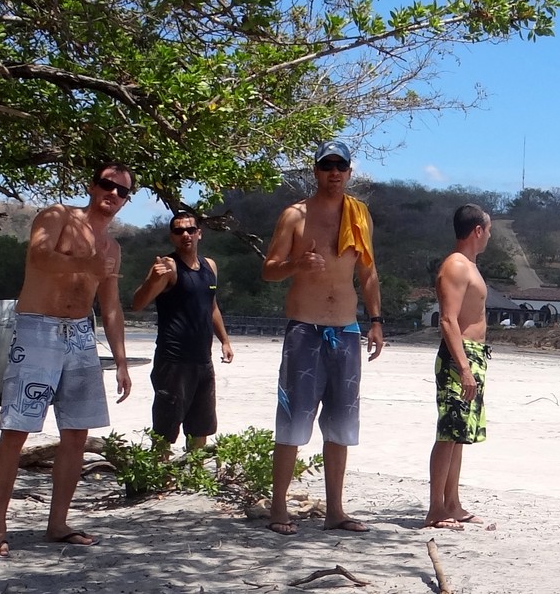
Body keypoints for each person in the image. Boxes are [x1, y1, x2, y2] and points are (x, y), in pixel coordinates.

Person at [0, 163, 135, 558]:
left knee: (76, 433)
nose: (113, 194)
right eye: (107, 185)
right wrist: (84, 264)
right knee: (16, 429)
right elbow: (39, 256)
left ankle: (58, 523)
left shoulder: (112, 248)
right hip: (38, 328)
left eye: (122, 191)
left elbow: (111, 306)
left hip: (81, 335)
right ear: (93, 186)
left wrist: (120, 360)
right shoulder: (58, 216)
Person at [260, 141, 384, 534]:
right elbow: (269, 269)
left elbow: (367, 271)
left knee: (341, 423)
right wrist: (295, 264)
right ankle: (278, 507)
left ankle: (336, 511)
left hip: (346, 329)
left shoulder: (359, 214)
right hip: (305, 327)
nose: (334, 173)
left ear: (348, 172)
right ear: (315, 170)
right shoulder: (295, 215)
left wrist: (376, 320)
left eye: (340, 166)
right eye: (326, 166)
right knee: (293, 421)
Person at [130, 211, 235, 453]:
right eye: (179, 231)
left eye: (190, 230)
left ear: (199, 233)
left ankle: (194, 471)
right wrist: (151, 281)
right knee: (165, 428)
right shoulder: (168, 266)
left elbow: (212, 306)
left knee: (201, 427)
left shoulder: (210, 266)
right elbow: (137, 304)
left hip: (203, 360)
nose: (185, 235)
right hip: (173, 361)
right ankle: (159, 472)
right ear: (172, 237)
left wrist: (225, 341)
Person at [424, 204, 492, 530]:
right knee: (448, 432)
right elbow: (448, 320)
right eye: (488, 230)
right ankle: (436, 508)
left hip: (474, 355)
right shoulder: (456, 266)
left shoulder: (469, 266)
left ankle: (452, 502)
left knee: (460, 434)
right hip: (459, 356)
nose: (489, 236)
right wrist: (464, 367)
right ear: (477, 230)